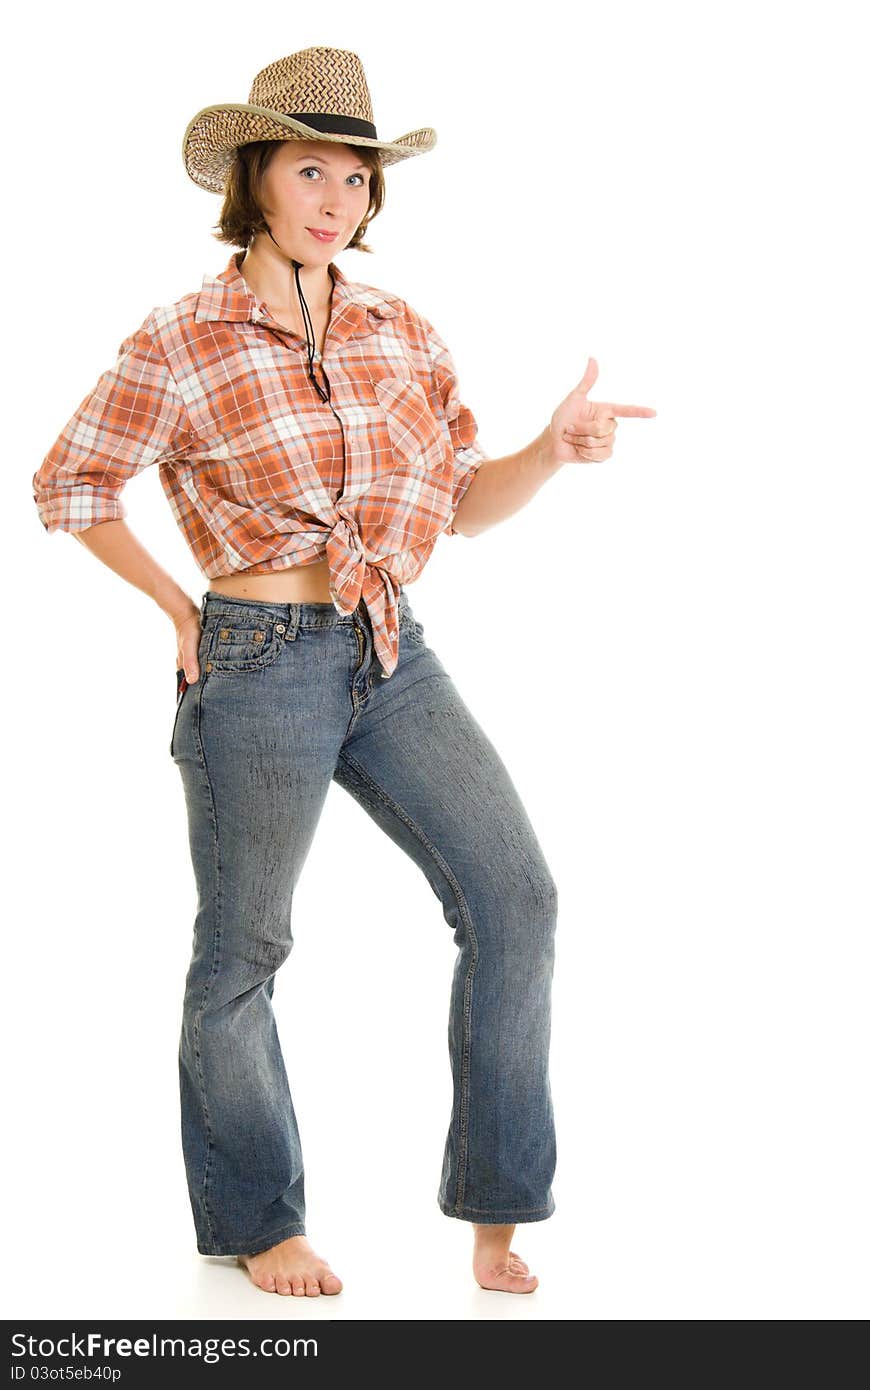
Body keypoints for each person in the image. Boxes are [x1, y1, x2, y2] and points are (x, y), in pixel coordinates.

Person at [31, 46, 655, 1298]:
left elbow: (462, 507)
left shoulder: (397, 328)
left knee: (515, 896)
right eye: (310, 169)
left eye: (357, 178)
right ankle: (257, 1220)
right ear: (257, 178)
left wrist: (549, 448)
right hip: (257, 662)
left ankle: (494, 1208)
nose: (335, 199)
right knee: (246, 947)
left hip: (388, 647)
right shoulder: (185, 337)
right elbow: (70, 482)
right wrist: (175, 608)